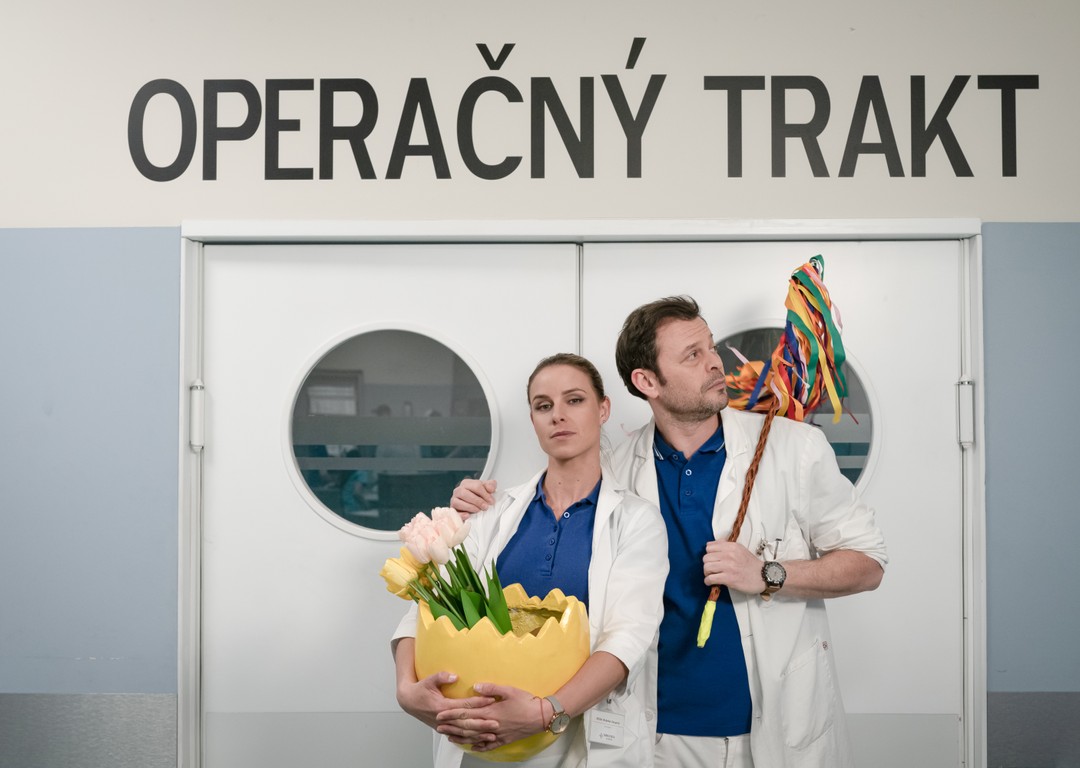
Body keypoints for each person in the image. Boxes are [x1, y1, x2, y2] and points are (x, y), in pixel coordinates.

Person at [453, 297, 888, 768]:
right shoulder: (612, 472)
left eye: (711, 347)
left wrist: (768, 573)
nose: (715, 363)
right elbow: (546, 519)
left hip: (776, 729)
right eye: (692, 355)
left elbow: (869, 563)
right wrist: (479, 508)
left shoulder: (792, 449)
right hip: (651, 734)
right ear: (647, 382)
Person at [392, 353, 669, 768]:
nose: (558, 415)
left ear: (603, 409)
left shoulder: (637, 521)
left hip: (578, 737)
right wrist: (406, 689)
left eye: (574, 400)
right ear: (534, 420)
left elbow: (628, 639)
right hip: (481, 738)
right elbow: (428, 605)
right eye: (543, 405)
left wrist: (544, 713)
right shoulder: (490, 513)